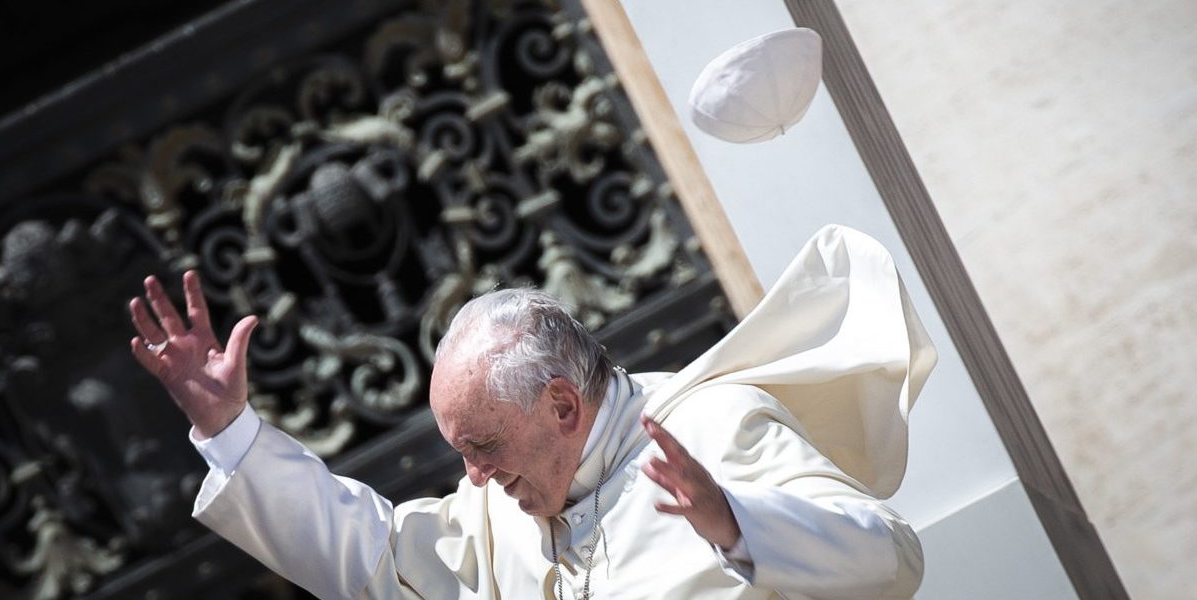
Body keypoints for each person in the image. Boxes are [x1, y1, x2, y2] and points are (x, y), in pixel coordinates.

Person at [129, 225, 936, 600]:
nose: (471, 476)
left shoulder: (717, 427)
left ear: (560, 403)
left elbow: (893, 558)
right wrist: (231, 430)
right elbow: (374, 558)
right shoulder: (494, 510)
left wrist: (736, 525)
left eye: (482, 446)